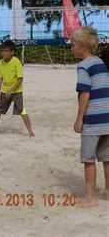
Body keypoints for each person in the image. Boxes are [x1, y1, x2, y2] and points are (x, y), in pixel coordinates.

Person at [70, 27, 109, 207]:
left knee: (88, 159)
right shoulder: (100, 62)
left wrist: (79, 119)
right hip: (107, 118)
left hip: (93, 120)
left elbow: (85, 94)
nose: (71, 47)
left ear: (84, 47)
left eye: (73, 44)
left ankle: (91, 197)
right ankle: (108, 191)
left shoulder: (83, 66)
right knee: (107, 158)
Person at [0, 40, 35, 137]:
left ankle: (30, 132)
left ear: (12, 52)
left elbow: (20, 79)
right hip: (5, 91)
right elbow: (0, 78)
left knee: (23, 111)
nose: (4, 53)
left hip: (17, 91)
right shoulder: (0, 62)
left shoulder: (16, 61)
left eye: (6, 51)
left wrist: (11, 90)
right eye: (3, 51)